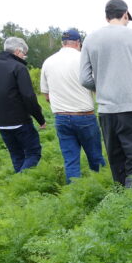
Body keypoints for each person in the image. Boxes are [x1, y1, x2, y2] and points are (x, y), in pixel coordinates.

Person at [79, 0, 132, 188]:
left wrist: (103, 87)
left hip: (107, 112)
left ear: (106, 17)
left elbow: (84, 78)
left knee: (117, 161)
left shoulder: (90, 39)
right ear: (125, 14)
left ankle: (120, 201)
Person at [40, 28, 105, 182]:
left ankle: (74, 193)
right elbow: (97, 86)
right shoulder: (83, 58)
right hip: (85, 116)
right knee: (95, 157)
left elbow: (46, 94)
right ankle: (103, 186)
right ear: (78, 43)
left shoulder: (48, 61)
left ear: (63, 43)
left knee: (71, 160)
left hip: (61, 118)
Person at [0, 36, 47, 172]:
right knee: (33, 153)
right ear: (17, 52)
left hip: (2, 123)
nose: (24, 57)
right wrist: (40, 119)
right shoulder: (19, 67)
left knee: (17, 156)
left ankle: (20, 187)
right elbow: (28, 96)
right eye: (24, 54)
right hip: (21, 122)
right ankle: (20, 180)